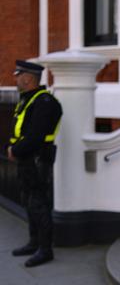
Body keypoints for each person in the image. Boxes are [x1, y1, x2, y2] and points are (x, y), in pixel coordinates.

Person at [7, 60, 62, 267]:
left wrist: (15, 150)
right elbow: (19, 130)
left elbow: (36, 136)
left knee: (39, 204)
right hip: (26, 159)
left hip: (38, 159)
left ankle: (45, 250)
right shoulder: (28, 99)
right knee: (29, 202)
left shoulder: (44, 102)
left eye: (17, 74)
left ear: (28, 78)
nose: (15, 78)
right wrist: (10, 147)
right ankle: (33, 242)